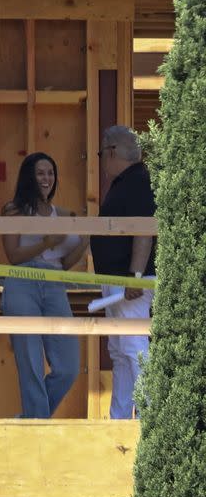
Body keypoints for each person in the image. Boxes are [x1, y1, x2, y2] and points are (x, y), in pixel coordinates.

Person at [1, 152, 88, 418]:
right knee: (30, 363)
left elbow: (65, 262)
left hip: (54, 283)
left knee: (69, 366)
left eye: (50, 173)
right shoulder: (12, 210)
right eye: (40, 172)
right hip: (23, 282)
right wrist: (47, 243)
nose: (46, 178)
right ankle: (34, 426)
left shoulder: (63, 214)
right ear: (29, 176)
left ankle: (30, 420)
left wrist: (85, 241)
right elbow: (13, 256)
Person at [90, 124, 155, 419]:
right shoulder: (127, 181)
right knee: (119, 350)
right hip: (119, 282)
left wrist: (135, 276)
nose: (102, 160)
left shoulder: (138, 180)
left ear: (112, 151)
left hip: (130, 282)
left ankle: (148, 417)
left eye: (102, 153)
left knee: (132, 347)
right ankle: (118, 417)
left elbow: (144, 230)